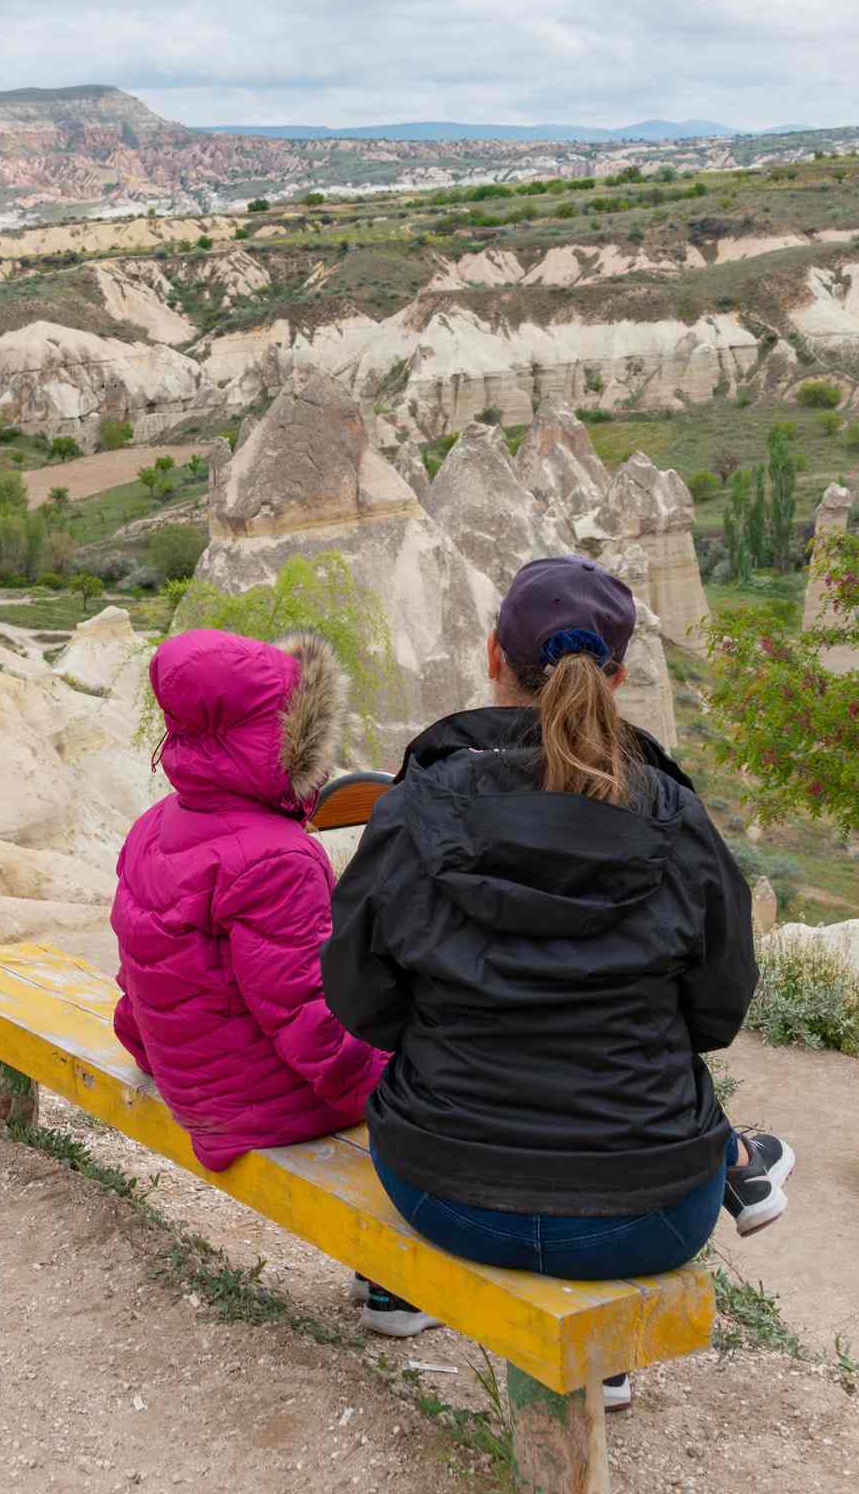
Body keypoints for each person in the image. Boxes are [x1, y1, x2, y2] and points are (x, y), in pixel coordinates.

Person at [323, 556, 794, 1406]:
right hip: (647, 1216)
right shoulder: (677, 821)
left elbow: (360, 1001)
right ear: (615, 677)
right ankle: (604, 1360)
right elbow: (717, 1012)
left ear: (492, 657)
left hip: (443, 1188)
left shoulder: (410, 810)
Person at [112, 625, 435, 1338]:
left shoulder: (152, 828)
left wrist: (148, 1053)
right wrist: (390, 1088)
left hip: (187, 1075)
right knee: (418, 1075)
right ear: (284, 743)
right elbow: (311, 1020)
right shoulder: (277, 859)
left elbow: (140, 972)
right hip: (259, 1106)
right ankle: (396, 1290)